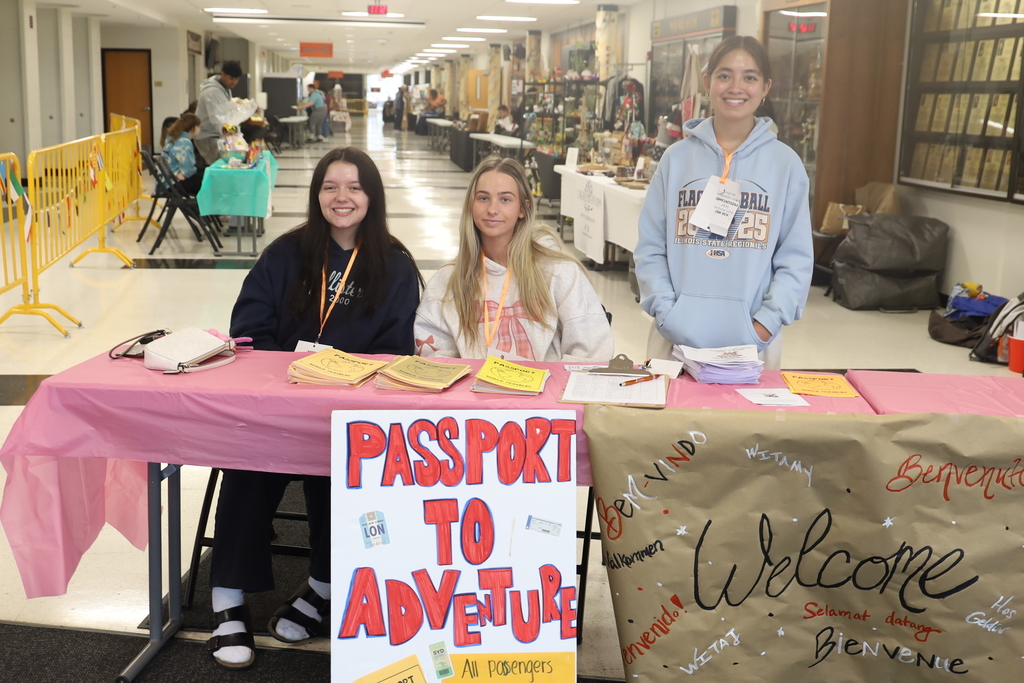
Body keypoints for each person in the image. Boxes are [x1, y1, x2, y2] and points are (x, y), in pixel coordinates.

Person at [207, 146, 422, 670]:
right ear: (316, 194)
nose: (341, 197)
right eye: (330, 187)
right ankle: (227, 597)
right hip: (279, 403)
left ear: (372, 196)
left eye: (354, 187)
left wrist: (346, 376)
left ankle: (323, 586)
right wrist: (290, 374)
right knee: (245, 465)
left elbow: (398, 348)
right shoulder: (284, 254)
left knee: (346, 471)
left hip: (350, 410)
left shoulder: (395, 264)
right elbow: (249, 329)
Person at [633, 36, 813, 371]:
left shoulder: (786, 165)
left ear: (765, 87)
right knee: (670, 408)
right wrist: (666, 311)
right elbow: (651, 247)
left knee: (742, 410)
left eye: (750, 77)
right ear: (707, 82)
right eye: (724, 75)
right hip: (673, 340)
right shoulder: (675, 159)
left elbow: (796, 259)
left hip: (752, 346)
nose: (736, 87)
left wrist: (765, 324)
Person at [415, 156, 613, 362]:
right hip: (473, 383)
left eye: (505, 199)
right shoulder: (448, 280)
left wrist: (550, 380)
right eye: (483, 198)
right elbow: (433, 356)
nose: (492, 209)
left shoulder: (559, 272)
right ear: (471, 205)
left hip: (547, 382)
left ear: (523, 209)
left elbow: (593, 352)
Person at [194, 61, 242, 165]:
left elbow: (225, 114)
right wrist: (234, 133)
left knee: (230, 163)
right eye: (231, 78)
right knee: (222, 166)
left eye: (237, 79)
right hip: (207, 137)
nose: (234, 82)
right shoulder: (212, 91)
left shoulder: (224, 88)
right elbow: (217, 119)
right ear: (223, 74)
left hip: (217, 134)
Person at [162, 113, 205, 196]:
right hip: (174, 183)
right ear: (195, 127)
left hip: (166, 182)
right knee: (208, 179)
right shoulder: (184, 142)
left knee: (203, 172)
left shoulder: (172, 138)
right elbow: (188, 170)